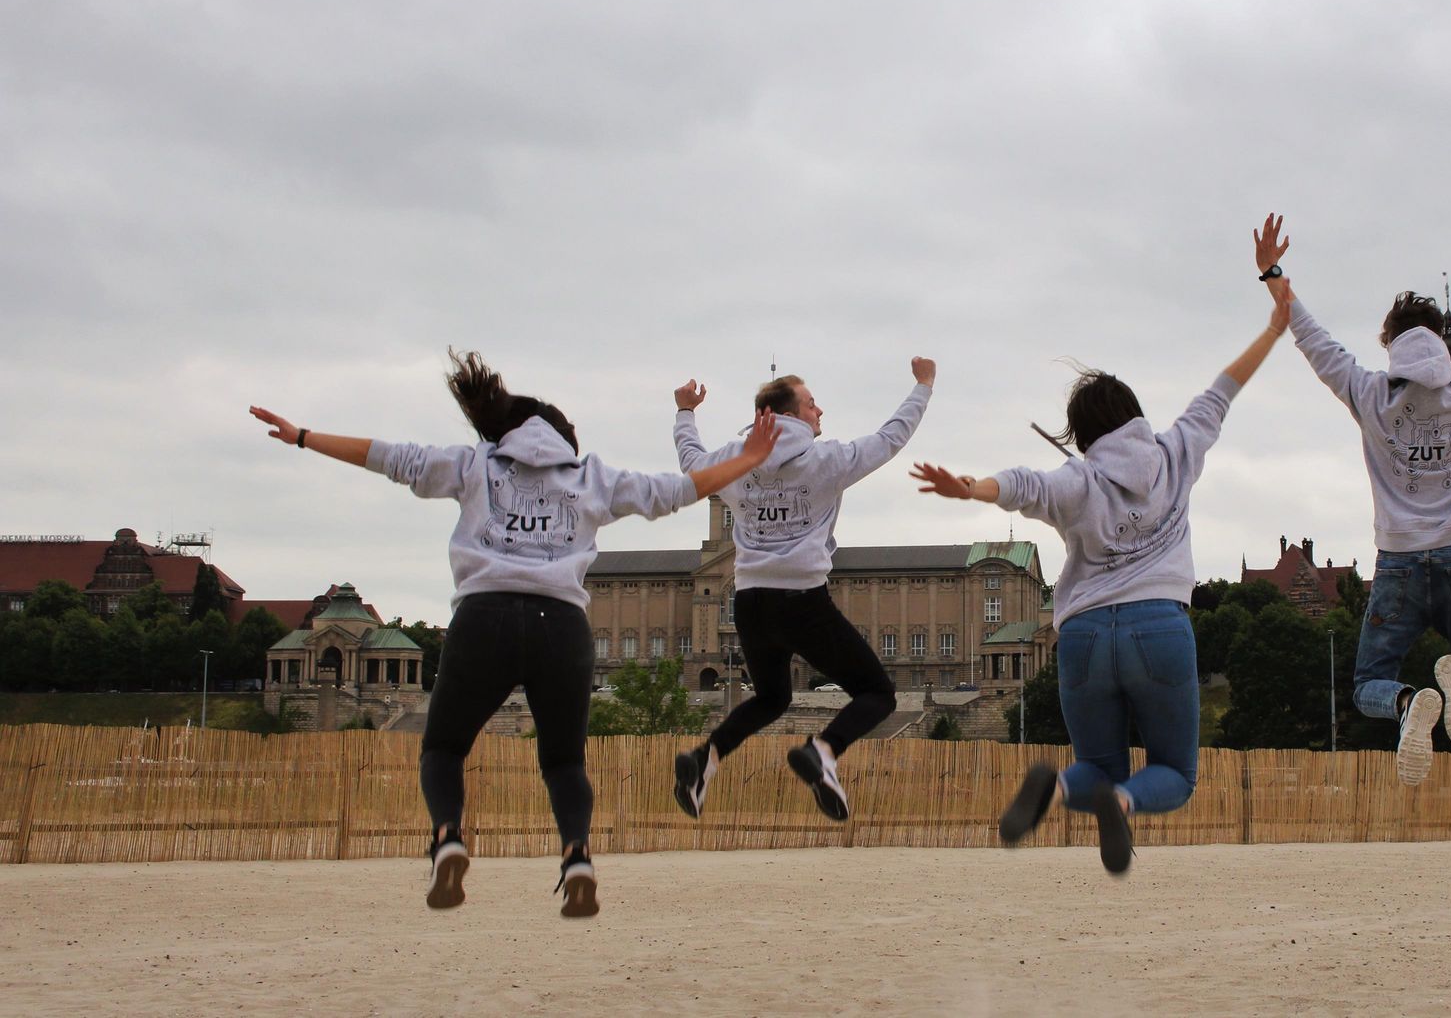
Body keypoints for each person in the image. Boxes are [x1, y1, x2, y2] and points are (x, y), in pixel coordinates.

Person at [250, 351, 780, 916]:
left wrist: (304, 436)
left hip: (486, 617)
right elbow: (679, 491)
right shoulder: (591, 476)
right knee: (564, 763)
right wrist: (750, 456)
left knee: (445, 747)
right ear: (559, 438)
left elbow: (387, 457)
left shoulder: (475, 464)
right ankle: (577, 855)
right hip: (563, 628)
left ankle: (449, 838)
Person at [908, 217, 1294, 875]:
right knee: (1171, 770)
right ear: (1135, 414)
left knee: (1093, 763)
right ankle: (1121, 801)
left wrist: (968, 487)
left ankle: (1059, 787)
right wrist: (1276, 306)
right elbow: (1228, 384)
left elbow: (1021, 486)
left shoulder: (1076, 479)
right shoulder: (1178, 447)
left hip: (1082, 634)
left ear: (1083, 434)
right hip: (1159, 628)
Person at [1283, 205, 1451, 785]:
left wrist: (1277, 280)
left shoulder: (1371, 395)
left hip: (1397, 562)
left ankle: (1404, 705)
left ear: (1391, 345)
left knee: (1369, 681)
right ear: (1444, 346)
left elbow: (1316, 345)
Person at [669, 359, 935, 822]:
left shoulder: (734, 460)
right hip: (801, 602)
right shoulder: (828, 460)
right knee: (877, 693)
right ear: (789, 415)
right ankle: (824, 752)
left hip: (750, 602)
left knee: (772, 697)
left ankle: (703, 761)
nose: (820, 412)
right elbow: (891, 437)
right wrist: (923, 386)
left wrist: (685, 413)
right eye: (812, 404)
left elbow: (691, 462)